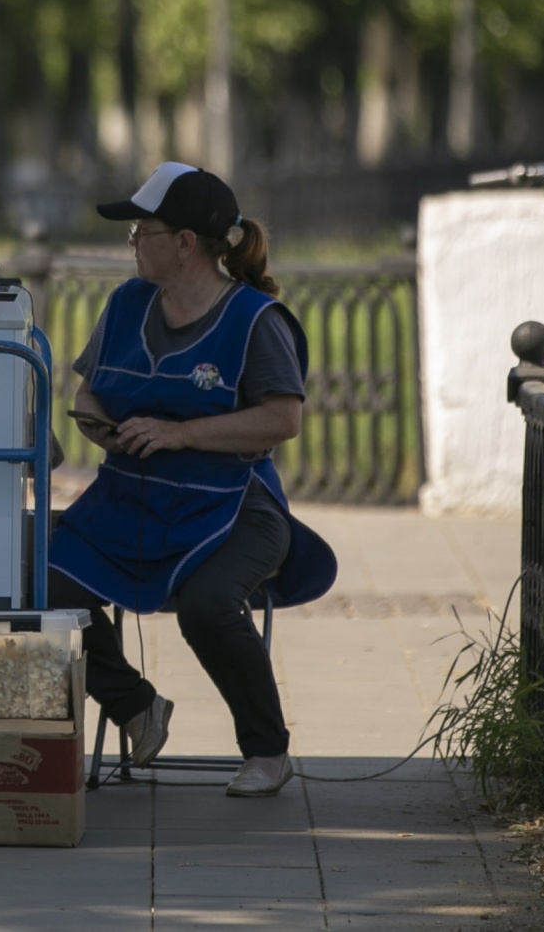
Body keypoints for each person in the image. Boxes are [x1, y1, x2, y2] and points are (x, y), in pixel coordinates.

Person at [50, 162, 337, 799]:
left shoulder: (256, 319)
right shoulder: (126, 304)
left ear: (184, 242)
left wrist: (178, 434)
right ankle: (135, 707)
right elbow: (91, 390)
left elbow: (282, 419)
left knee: (208, 607)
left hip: (235, 510)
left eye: (140, 230)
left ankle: (267, 749)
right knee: (36, 581)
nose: (132, 242)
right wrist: (99, 425)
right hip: (130, 501)